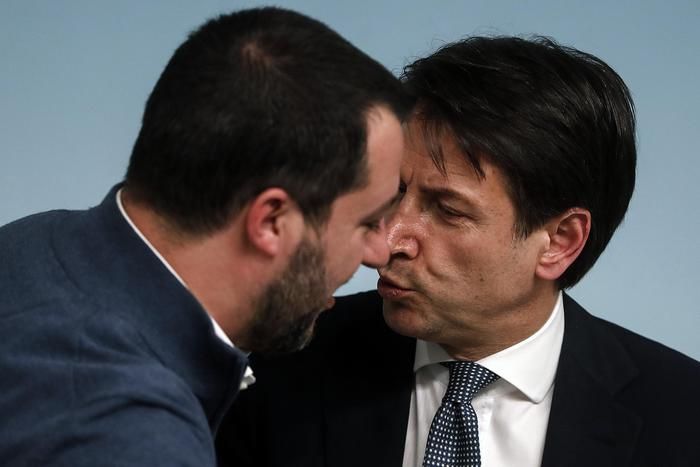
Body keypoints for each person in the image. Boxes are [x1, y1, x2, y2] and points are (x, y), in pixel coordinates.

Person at [216, 36, 700, 467]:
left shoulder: (682, 416)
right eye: (394, 192)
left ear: (560, 241)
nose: (387, 240)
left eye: (448, 210)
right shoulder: (282, 364)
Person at [0, 7, 410, 466]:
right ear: (271, 221)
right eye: (368, 222)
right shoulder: (133, 439)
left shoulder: (27, 245)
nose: (381, 251)